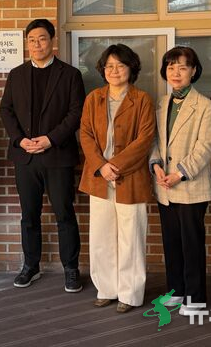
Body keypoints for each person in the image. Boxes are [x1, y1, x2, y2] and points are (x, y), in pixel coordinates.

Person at [0, 18, 86, 293]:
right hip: (25, 156)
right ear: (27, 44)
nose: (37, 44)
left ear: (52, 41)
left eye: (42, 39)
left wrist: (50, 139)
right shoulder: (16, 74)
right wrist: (20, 140)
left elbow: (76, 112)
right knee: (29, 216)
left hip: (57, 155)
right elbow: (6, 110)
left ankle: (71, 268)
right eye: (32, 40)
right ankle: (31, 265)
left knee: (64, 214)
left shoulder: (70, 75)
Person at [79, 44, 155, 313]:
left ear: (131, 68)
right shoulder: (94, 98)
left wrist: (116, 165)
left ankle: (130, 293)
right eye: (109, 66)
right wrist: (101, 166)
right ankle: (106, 288)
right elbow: (85, 134)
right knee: (101, 237)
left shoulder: (142, 99)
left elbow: (145, 139)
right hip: (99, 178)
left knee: (131, 238)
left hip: (130, 177)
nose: (114, 71)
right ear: (102, 70)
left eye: (120, 65)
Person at [149, 46, 211, 315]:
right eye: (170, 67)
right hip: (164, 185)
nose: (175, 73)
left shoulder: (205, 106)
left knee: (191, 245)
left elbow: (206, 146)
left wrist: (179, 173)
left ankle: (195, 298)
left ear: (194, 71)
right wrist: (156, 165)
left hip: (190, 185)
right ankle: (176, 291)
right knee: (171, 242)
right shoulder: (161, 103)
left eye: (182, 67)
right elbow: (155, 140)